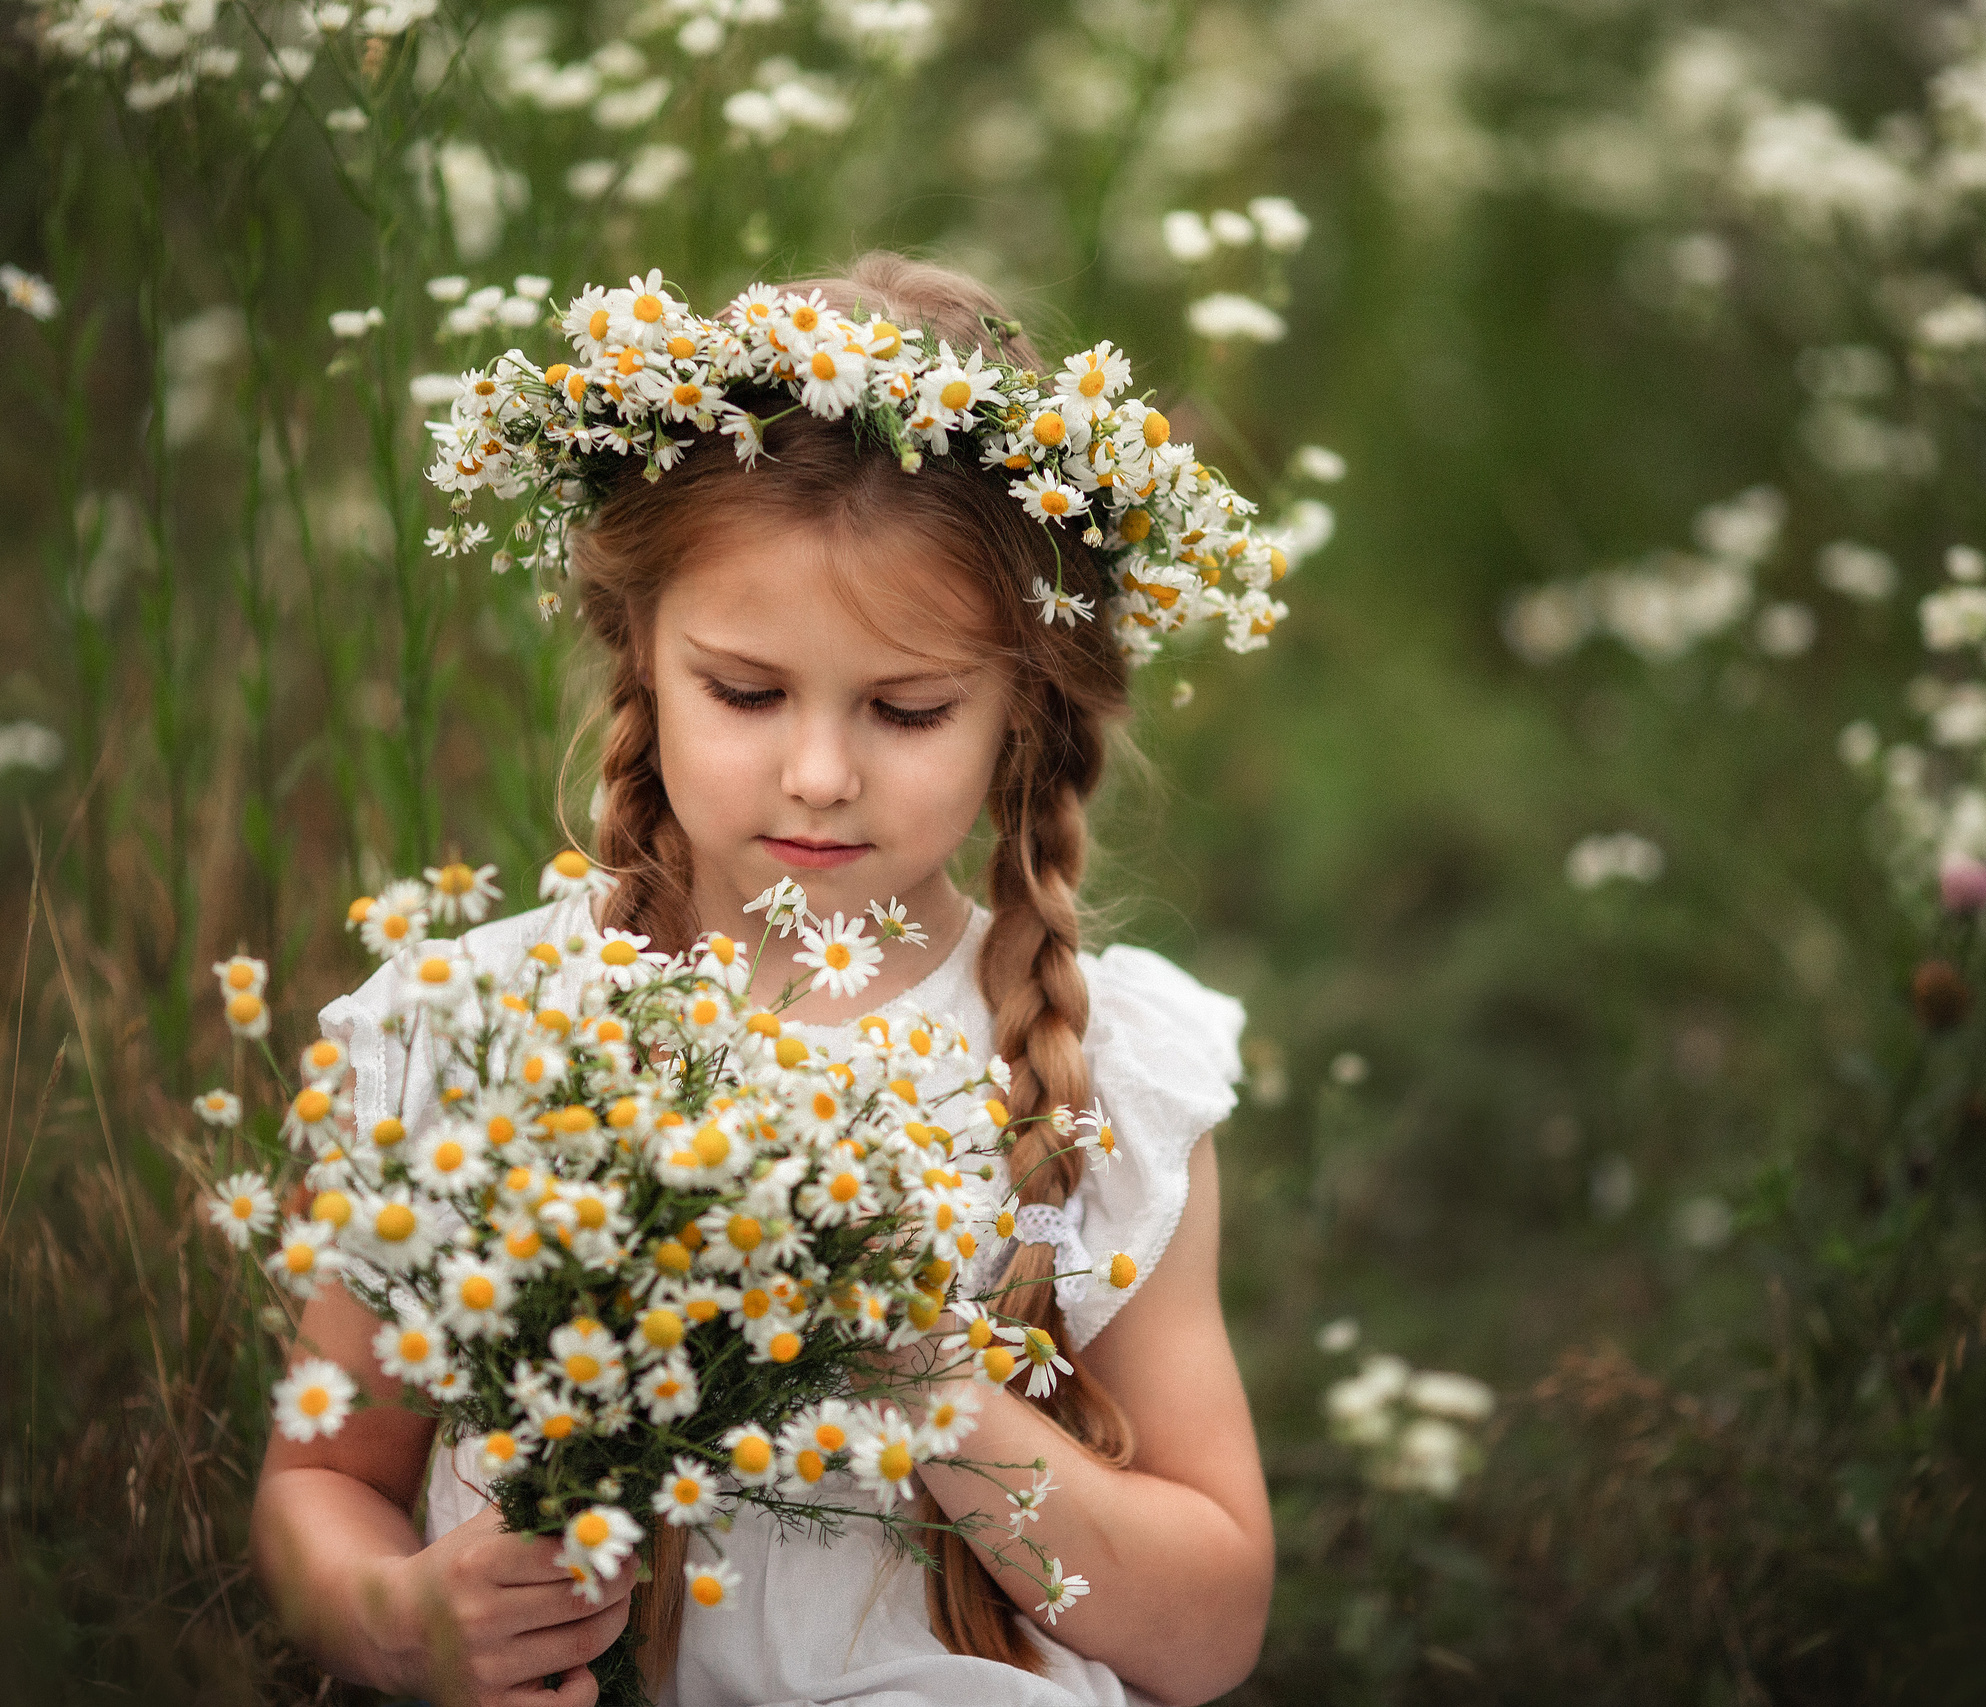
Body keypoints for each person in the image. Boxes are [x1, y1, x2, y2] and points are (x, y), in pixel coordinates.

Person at [250, 253, 1273, 1707]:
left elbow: (1208, 1630)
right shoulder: (464, 1032)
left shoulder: (1096, 1068)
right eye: (745, 691)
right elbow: (319, 1486)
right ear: (639, 654)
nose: (817, 775)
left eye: (908, 709)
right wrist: (400, 1619)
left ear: (1022, 708)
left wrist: (920, 1383)